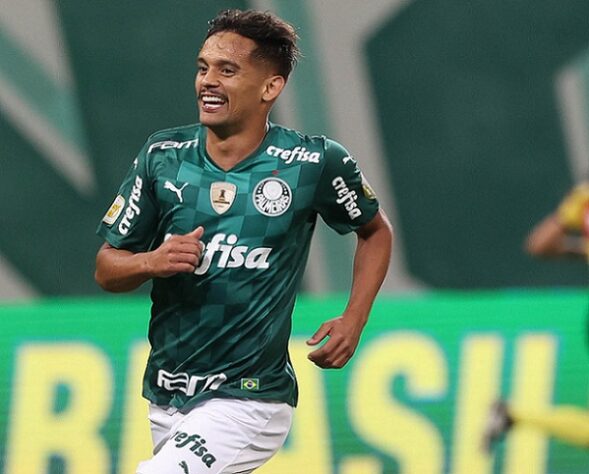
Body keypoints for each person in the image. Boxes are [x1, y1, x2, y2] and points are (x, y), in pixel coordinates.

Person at [95, 9, 393, 474]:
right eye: (202, 67)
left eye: (227, 70)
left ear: (270, 88)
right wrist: (151, 262)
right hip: (168, 393)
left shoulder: (311, 162)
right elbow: (106, 267)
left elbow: (375, 232)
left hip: (251, 397)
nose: (207, 82)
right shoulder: (163, 157)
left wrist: (355, 319)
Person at [482, 181, 589, 452]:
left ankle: (514, 415)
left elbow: (540, 244)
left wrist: (581, 249)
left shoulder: (584, 199)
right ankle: (514, 415)